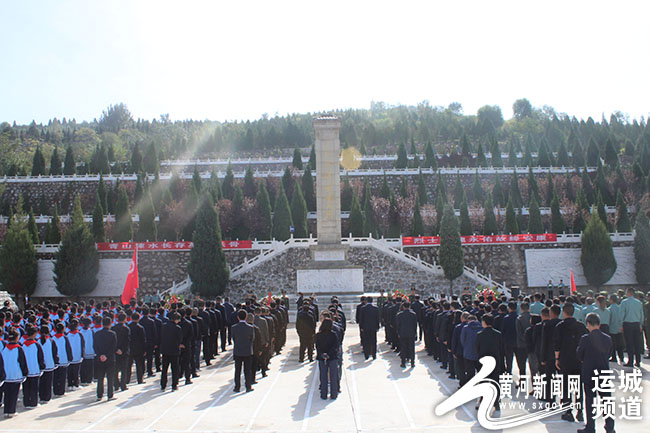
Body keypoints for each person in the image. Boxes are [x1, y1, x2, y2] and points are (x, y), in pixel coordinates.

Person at [577, 313, 615, 433]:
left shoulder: (585, 339)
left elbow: (579, 355)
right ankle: (610, 427)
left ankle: (590, 427)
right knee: (607, 400)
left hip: (589, 373)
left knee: (590, 401)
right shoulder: (607, 338)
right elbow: (609, 353)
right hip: (603, 372)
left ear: (588, 324)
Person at [554, 302, 587, 422]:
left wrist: (557, 359)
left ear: (564, 312)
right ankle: (580, 411)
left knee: (566, 386)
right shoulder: (581, 326)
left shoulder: (560, 326)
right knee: (578, 386)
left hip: (565, 359)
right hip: (578, 359)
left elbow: (557, 344)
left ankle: (568, 411)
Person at [475, 314, 504, 412]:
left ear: (484, 322)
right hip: (495, 361)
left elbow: (477, 349)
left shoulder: (479, 334)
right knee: (495, 382)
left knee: (483, 382)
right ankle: (496, 403)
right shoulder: (498, 334)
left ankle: (483, 402)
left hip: (483, 362)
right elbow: (501, 349)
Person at [1, 329, 27, 418]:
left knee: (7, 394)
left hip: (6, 374)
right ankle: (12, 410)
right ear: (17, 338)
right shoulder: (19, 348)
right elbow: (22, 362)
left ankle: (6, 411)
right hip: (16, 374)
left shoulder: (4, 348)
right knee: (14, 394)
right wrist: (25, 373)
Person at [93, 316, 117, 401]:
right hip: (110, 358)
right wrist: (106, 355)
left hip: (99, 358)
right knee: (110, 377)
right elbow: (113, 347)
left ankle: (99, 395)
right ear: (110, 323)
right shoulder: (112, 334)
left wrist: (100, 355)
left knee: (100, 378)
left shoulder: (97, 334)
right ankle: (110, 395)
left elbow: (95, 346)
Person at [314, 318, 338, 400]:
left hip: (321, 357)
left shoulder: (318, 335)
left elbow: (317, 347)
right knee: (333, 376)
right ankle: (333, 394)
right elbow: (335, 346)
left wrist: (322, 354)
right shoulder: (333, 335)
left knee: (323, 376)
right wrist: (329, 354)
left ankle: (323, 394)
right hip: (332, 357)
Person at [232, 309, 255, 393]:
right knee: (247, 370)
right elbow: (252, 339)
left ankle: (237, 387)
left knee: (237, 370)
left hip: (238, 350)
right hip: (247, 350)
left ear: (238, 317)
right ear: (246, 317)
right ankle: (248, 386)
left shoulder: (234, 328)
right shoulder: (250, 328)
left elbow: (233, 338)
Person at [21, 324, 44, 408]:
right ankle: (34, 403)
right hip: (35, 369)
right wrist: (42, 367)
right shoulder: (36, 345)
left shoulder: (23, 345)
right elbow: (40, 357)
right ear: (34, 334)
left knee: (26, 388)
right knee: (34, 388)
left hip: (26, 370)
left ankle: (26, 403)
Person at [620, 287, 644, 367]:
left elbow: (622, 314)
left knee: (629, 343)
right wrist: (640, 325)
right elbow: (642, 315)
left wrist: (621, 325)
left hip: (627, 324)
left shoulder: (624, 302)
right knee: (637, 343)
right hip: (637, 324)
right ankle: (638, 361)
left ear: (628, 293)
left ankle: (630, 361)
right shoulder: (639, 302)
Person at [159, 312, 182, 392]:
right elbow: (179, 339)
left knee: (164, 369)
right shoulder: (177, 328)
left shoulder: (164, 326)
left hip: (165, 350)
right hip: (174, 350)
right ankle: (174, 385)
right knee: (174, 369)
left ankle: (163, 385)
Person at [38, 325, 57, 404]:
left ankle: (41, 397)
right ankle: (47, 397)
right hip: (49, 364)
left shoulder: (37, 341)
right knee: (48, 382)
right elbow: (54, 353)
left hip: (41, 365)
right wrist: (56, 362)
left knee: (41, 382)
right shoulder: (51, 341)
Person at [395, 302, 418, 368]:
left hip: (403, 333)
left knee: (403, 348)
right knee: (411, 348)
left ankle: (403, 362)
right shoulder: (413, 314)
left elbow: (398, 325)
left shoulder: (399, 315)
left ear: (403, 307)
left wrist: (398, 333)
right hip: (411, 333)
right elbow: (415, 325)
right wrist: (415, 333)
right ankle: (412, 362)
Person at [113, 313, 131, 392]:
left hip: (115, 351)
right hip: (124, 351)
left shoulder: (113, 328)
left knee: (115, 369)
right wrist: (123, 350)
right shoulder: (126, 329)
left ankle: (116, 384)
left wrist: (116, 349)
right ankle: (123, 385)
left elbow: (113, 341)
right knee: (124, 369)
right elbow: (127, 341)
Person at [127, 312, 147, 384]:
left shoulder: (128, 327)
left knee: (129, 365)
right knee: (139, 365)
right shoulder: (140, 328)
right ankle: (139, 379)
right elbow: (143, 339)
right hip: (139, 348)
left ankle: (127, 380)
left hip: (130, 348)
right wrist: (144, 349)